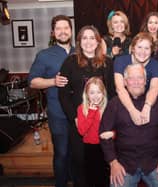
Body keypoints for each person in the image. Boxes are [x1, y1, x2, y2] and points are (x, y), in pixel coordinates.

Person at [99, 63, 158, 187]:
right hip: (125, 163)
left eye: (140, 77)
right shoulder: (114, 104)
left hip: (154, 162)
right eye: (131, 78)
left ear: (145, 81)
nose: (136, 82)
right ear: (125, 82)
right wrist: (113, 162)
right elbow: (103, 134)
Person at [58, 25, 115, 187]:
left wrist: (109, 120)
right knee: (80, 161)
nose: (88, 42)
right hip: (79, 121)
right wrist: (74, 118)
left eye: (92, 38)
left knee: (102, 162)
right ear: (79, 42)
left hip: (102, 122)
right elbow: (63, 94)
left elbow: (112, 92)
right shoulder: (70, 62)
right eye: (84, 38)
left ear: (98, 42)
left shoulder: (107, 63)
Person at [28, 15, 74, 187]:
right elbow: (32, 81)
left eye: (66, 28)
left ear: (71, 30)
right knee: (62, 153)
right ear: (53, 33)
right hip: (58, 113)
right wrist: (52, 81)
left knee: (76, 153)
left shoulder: (80, 52)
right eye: (59, 29)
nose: (63, 31)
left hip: (80, 114)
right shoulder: (44, 55)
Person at [114, 32, 158, 125]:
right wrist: (132, 110)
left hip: (146, 101)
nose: (142, 52)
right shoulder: (120, 61)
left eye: (147, 48)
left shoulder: (155, 64)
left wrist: (147, 107)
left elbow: (154, 88)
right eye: (139, 47)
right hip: (124, 101)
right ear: (133, 48)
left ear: (151, 51)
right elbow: (120, 88)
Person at [77, 77, 110, 187]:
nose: (95, 96)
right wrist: (91, 112)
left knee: (104, 177)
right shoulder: (82, 109)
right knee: (91, 178)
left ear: (103, 93)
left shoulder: (108, 108)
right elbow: (82, 131)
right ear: (86, 94)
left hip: (105, 147)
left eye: (98, 92)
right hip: (90, 147)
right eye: (92, 93)